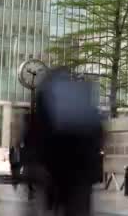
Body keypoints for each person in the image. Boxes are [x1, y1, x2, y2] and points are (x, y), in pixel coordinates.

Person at [26, 67, 103, 216]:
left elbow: (35, 134)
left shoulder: (47, 96)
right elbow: (97, 133)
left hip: (55, 168)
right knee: (77, 207)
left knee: (53, 206)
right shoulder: (81, 100)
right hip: (81, 170)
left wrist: (34, 163)